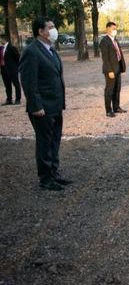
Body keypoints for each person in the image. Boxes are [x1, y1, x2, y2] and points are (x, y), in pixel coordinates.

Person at [19, 18, 72, 191]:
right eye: (50, 27)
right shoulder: (32, 51)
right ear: (41, 31)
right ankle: (46, 178)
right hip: (42, 108)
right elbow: (29, 82)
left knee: (54, 140)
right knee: (44, 142)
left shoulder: (51, 50)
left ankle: (54, 173)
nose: (54, 30)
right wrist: (36, 106)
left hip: (55, 105)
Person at [100, 22, 127, 117]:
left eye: (116, 28)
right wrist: (109, 71)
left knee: (117, 89)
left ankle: (116, 107)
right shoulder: (104, 41)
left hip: (118, 68)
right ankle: (108, 110)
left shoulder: (115, 40)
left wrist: (122, 67)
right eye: (113, 28)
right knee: (109, 90)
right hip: (110, 70)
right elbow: (105, 58)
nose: (115, 30)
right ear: (107, 29)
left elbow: (119, 54)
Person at [1, 33, 21, 105]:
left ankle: (18, 99)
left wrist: (16, 68)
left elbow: (18, 59)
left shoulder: (12, 48)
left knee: (16, 84)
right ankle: (9, 99)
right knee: (7, 85)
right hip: (3, 70)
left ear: (4, 39)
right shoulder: (1, 48)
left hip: (12, 69)